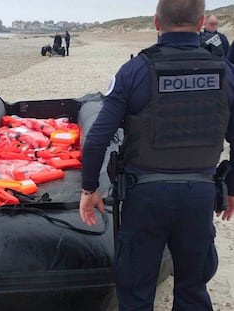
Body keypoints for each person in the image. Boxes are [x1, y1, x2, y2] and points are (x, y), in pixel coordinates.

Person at [79, 0, 234, 310]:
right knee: (193, 287)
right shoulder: (225, 73)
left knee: (136, 290)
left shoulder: (135, 71)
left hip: (145, 198)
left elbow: (97, 139)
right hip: (200, 196)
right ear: (202, 21)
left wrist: (89, 189)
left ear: (156, 23)